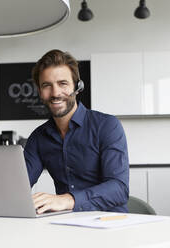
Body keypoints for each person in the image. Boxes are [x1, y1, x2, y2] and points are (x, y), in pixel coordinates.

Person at [24, 49, 129, 214]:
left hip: (110, 224)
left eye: (63, 84)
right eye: (47, 85)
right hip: (66, 225)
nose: (55, 93)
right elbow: (19, 186)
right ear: (40, 92)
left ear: (78, 87)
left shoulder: (107, 126)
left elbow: (119, 189)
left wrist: (67, 200)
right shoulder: (38, 137)